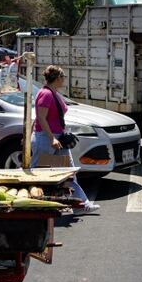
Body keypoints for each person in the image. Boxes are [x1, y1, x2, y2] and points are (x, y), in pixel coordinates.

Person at [34, 65, 97, 213]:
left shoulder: (53, 92)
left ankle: (82, 204)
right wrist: (51, 139)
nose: (64, 80)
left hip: (57, 137)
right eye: (63, 77)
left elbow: (40, 117)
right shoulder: (46, 94)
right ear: (57, 78)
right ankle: (36, 205)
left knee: (69, 172)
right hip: (46, 138)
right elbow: (41, 119)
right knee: (39, 172)